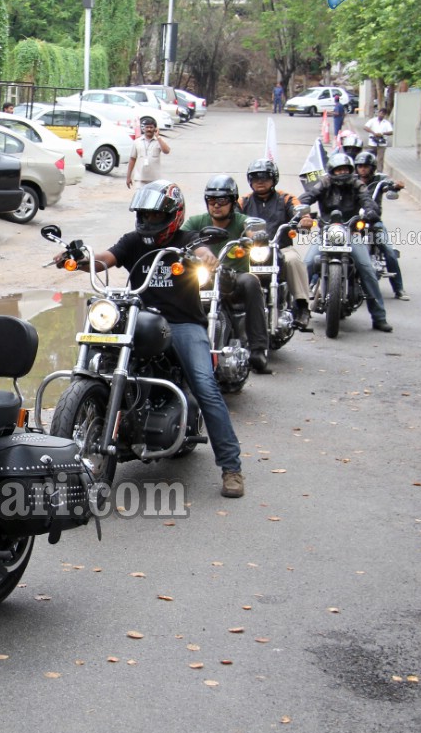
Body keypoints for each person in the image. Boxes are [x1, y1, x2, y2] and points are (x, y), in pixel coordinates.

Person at [59, 180, 247, 498]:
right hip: (138, 316)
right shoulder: (133, 241)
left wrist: (206, 258)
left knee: (205, 385)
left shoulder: (187, 240)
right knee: (98, 355)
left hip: (183, 323)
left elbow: (202, 249)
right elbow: (105, 258)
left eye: (154, 215)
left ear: (173, 214)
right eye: (143, 215)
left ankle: (231, 467)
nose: (147, 221)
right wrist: (78, 259)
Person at [183, 175, 272, 373]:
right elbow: (180, 237)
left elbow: (251, 229)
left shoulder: (242, 221)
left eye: (222, 201)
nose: (216, 206)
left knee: (251, 281)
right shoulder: (197, 222)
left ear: (233, 202)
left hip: (234, 278)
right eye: (212, 201)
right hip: (203, 278)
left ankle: (258, 349)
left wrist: (257, 236)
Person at [299, 152, 394, 333]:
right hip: (326, 232)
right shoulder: (324, 183)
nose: (342, 172)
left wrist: (371, 211)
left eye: (345, 169)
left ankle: (379, 317)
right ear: (332, 171)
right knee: (307, 264)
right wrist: (301, 209)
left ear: (351, 171)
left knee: (367, 268)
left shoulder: (357, 185)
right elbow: (308, 196)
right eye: (338, 169)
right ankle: (298, 312)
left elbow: (367, 200)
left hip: (351, 232)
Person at [239, 158, 314, 330]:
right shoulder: (243, 201)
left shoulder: (286, 199)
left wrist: (304, 220)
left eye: (265, 177)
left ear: (274, 179)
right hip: (253, 249)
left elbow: (299, 210)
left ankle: (302, 306)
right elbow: (232, 217)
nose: (260, 181)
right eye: (255, 177)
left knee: (293, 260)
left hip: (281, 247)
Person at [355, 151, 409, 301]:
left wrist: (395, 186)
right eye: (360, 166)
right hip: (355, 220)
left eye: (366, 166)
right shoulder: (351, 180)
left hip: (374, 221)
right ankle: (315, 285)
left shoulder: (379, 180)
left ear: (372, 167)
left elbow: (389, 185)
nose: (362, 169)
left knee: (389, 251)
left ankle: (399, 289)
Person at [125, 115, 170, 189]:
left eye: (151, 127)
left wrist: (158, 137)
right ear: (143, 129)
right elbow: (132, 159)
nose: (149, 129)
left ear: (155, 129)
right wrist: (128, 177)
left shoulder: (159, 141)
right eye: (147, 127)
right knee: (141, 199)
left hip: (155, 180)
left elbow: (167, 151)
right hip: (140, 179)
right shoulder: (137, 142)